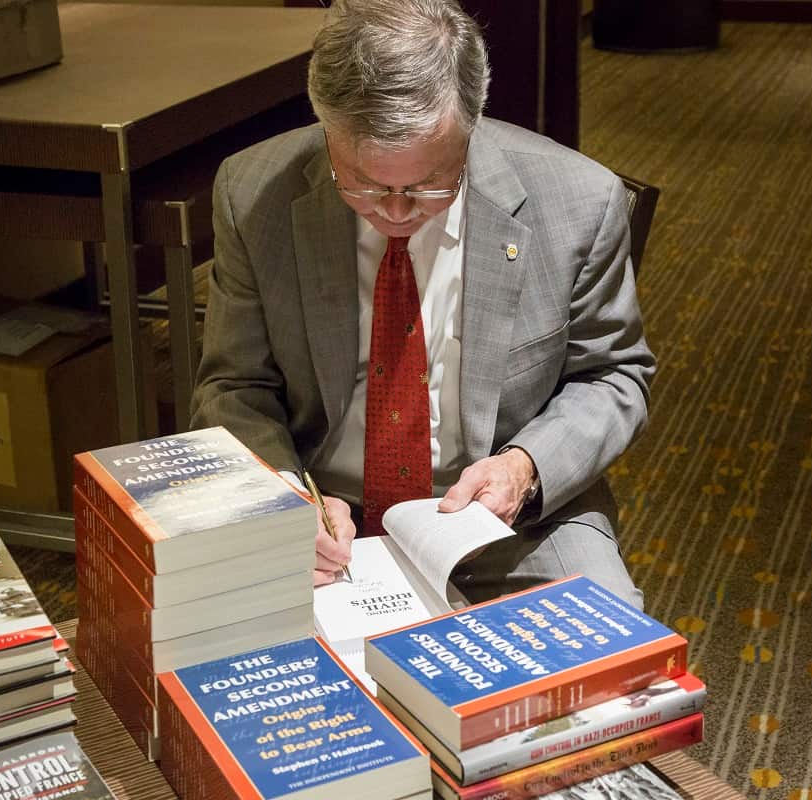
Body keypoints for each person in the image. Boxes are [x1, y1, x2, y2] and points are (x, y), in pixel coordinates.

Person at [190, 0, 655, 609]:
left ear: (471, 125)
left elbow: (613, 375)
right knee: (224, 666)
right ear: (325, 129)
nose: (395, 212)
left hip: (509, 520)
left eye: (429, 184)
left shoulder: (577, 201)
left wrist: (524, 467)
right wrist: (286, 495)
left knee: (600, 669)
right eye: (362, 183)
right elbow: (233, 385)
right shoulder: (252, 193)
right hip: (325, 516)